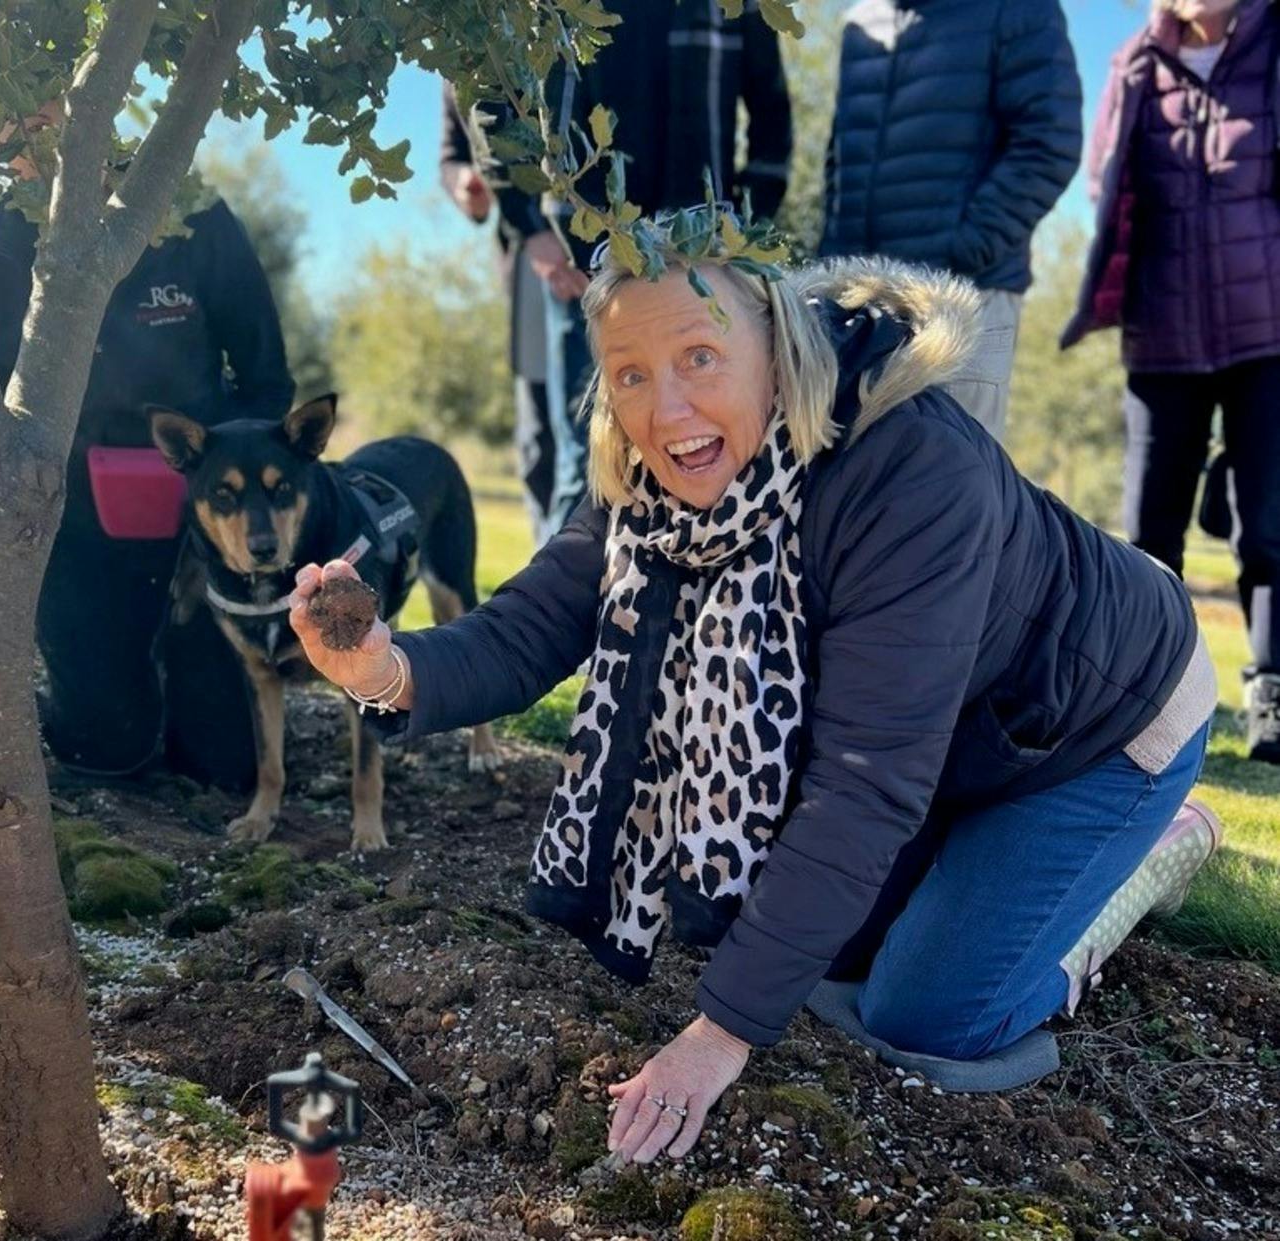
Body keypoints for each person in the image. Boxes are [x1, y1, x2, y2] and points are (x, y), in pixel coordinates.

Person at [288, 208, 1220, 1160]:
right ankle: (1001, 878)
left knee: (924, 1019)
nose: (669, 411)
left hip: (1097, 727)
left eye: (699, 356)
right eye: (632, 376)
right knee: (825, 962)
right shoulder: (642, 478)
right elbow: (528, 629)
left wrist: (717, 1034)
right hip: (950, 737)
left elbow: (863, 785)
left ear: (774, 341)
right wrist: (384, 671)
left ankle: (1133, 870)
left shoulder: (911, 471)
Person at [0, 24, 295, 789]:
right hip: (67, 524)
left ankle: (198, 680)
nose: (42, 132)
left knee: (227, 768)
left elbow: (269, 383)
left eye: (56, 106)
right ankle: (91, 700)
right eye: (17, 115)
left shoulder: (193, 217)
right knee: (105, 749)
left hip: (202, 525)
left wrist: (227, 499)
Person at [440, 0, 792, 542]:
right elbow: (492, 90)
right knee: (587, 460)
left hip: (704, 265)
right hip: (580, 262)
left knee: (720, 446)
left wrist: (745, 230)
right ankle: (560, 621)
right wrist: (530, 225)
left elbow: (771, 110)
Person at [1063, 0, 1280, 765]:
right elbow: (1105, 186)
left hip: (1267, 335)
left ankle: (1270, 705)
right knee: (1150, 535)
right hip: (1161, 332)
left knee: (1269, 531)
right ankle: (1148, 704)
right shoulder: (1133, 64)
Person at [821, 0, 1083, 440]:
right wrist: (830, 263)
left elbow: (1049, 140)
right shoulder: (860, 24)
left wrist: (963, 252)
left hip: (965, 297)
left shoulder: (1018, 9)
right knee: (852, 481)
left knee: (957, 477)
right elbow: (839, 159)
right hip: (856, 304)